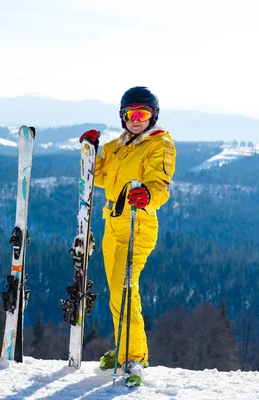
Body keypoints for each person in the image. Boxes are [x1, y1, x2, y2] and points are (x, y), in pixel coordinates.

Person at [84, 86, 176, 386]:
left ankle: (134, 357)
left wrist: (147, 193)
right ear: (122, 117)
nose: (136, 119)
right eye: (130, 114)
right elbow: (99, 176)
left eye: (143, 113)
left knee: (126, 288)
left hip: (138, 223)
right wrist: (89, 150)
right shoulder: (119, 145)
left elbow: (161, 184)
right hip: (112, 222)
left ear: (153, 116)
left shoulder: (158, 144)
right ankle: (124, 349)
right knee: (116, 289)